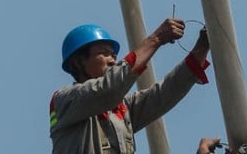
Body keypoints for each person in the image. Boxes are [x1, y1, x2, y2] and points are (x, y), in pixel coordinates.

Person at [50, 18, 211, 154]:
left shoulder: (121, 108)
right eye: (104, 53)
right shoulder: (64, 101)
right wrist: (156, 39)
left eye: (113, 55)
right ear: (78, 62)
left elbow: (165, 93)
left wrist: (202, 47)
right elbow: (109, 89)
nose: (113, 61)